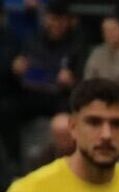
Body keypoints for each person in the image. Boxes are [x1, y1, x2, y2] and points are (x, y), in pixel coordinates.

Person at [2, 0, 86, 162]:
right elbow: (22, 68)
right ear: (46, 19)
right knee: (6, 109)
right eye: (52, 19)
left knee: (67, 117)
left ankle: (66, 163)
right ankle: (13, 162)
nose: (56, 24)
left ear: (68, 21)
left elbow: (82, 80)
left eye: (60, 20)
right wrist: (16, 68)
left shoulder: (77, 44)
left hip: (61, 97)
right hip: (32, 94)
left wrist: (71, 80)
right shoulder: (34, 39)